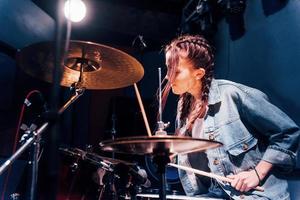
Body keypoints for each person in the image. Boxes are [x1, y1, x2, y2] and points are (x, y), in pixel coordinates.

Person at [161, 34, 300, 200]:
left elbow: (287, 133)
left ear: (198, 73)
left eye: (175, 71)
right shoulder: (183, 106)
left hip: (255, 195)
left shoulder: (234, 94)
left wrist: (256, 174)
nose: (168, 77)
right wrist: (169, 149)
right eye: (167, 69)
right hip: (215, 194)